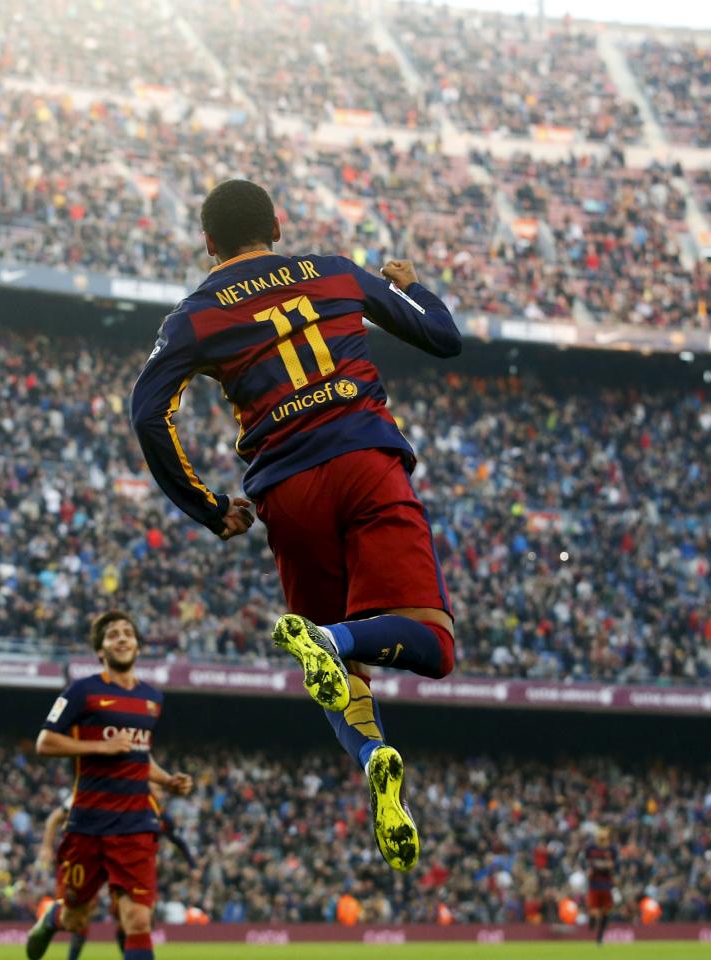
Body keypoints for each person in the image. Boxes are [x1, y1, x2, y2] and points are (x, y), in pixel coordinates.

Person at [130, 178, 462, 872]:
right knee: (431, 643)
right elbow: (442, 336)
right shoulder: (335, 271)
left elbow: (148, 413)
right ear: (278, 226)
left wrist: (208, 506)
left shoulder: (193, 315)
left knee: (340, 680)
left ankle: (374, 753)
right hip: (366, 460)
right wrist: (413, 286)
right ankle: (331, 639)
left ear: (209, 244)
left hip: (286, 489)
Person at [25, 611, 192, 960]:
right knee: (75, 917)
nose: (121, 638)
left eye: (127, 633)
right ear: (100, 650)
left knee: (138, 919)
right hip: (88, 823)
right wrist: (99, 746)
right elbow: (45, 743)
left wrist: (167, 780)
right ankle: (53, 917)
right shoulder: (82, 691)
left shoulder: (152, 699)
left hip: (134, 826)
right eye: (112, 634)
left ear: (138, 645)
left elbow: (138, 754)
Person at [38, 782, 197, 960]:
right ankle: (53, 919)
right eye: (157, 788)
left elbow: (178, 841)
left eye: (161, 789)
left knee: (136, 919)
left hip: (124, 862)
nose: (161, 793)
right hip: (90, 854)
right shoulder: (93, 788)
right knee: (77, 920)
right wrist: (46, 847)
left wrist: (193, 866)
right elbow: (54, 818)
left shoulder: (160, 815)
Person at [582, 827, 617, 946]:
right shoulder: (590, 848)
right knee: (594, 910)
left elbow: (615, 866)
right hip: (594, 884)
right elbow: (584, 861)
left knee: (605, 912)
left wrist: (611, 868)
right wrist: (587, 870)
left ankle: (600, 937)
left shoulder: (611, 849)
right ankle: (592, 920)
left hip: (606, 885)